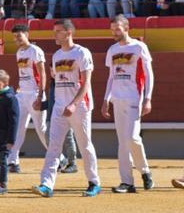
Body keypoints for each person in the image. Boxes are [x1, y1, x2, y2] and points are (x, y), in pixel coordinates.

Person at [32, 20, 102, 198]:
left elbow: (86, 83)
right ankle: (46, 184)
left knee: (85, 144)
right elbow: (58, 81)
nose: (54, 35)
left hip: (80, 106)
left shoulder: (81, 52)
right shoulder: (56, 55)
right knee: (54, 145)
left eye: (58, 31)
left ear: (68, 33)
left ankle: (94, 182)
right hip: (60, 106)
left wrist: (74, 103)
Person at [102, 15, 154, 194]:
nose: (114, 32)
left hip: (134, 97)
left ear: (126, 27)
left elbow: (149, 74)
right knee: (123, 141)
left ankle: (145, 170)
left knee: (132, 137)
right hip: (117, 98)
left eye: (117, 28)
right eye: (112, 29)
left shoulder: (139, 47)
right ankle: (127, 181)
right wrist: (105, 99)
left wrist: (148, 98)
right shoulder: (112, 49)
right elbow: (111, 77)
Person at [7, 24, 48, 173]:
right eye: (15, 37)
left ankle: (59, 159)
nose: (17, 39)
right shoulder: (19, 52)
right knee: (18, 127)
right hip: (22, 94)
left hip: (35, 93)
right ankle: (13, 161)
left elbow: (42, 73)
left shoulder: (35, 51)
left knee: (41, 129)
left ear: (27, 34)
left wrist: (40, 94)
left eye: (19, 36)